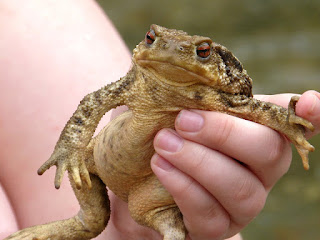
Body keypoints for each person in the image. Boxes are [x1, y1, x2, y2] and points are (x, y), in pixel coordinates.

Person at [0, 1, 319, 239]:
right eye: (153, 40)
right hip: (101, 166)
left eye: (201, 51)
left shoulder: (26, 18)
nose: (168, 52)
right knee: (92, 219)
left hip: (148, 200)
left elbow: (258, 110)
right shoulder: (138, 80)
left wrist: (291, 127)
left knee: (168, 230)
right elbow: (94, 102)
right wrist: (70, 147)